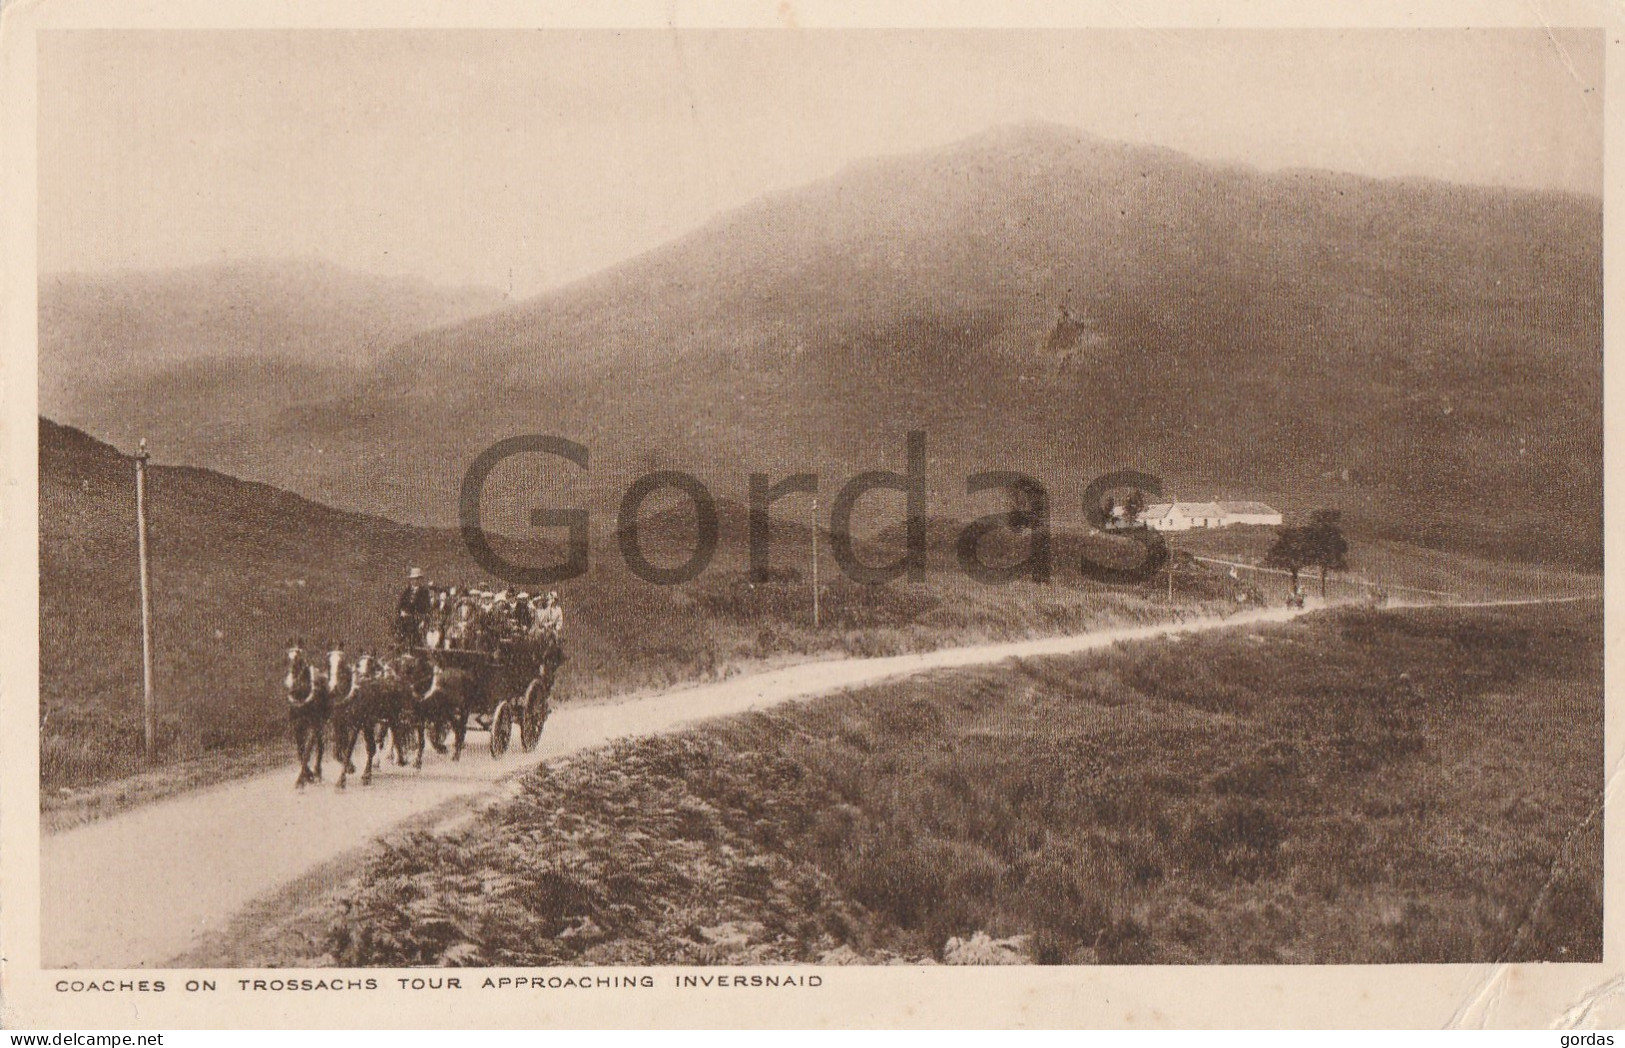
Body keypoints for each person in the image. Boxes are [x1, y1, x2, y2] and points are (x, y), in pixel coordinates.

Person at [396, 567, 432, 645]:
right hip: (404, 619)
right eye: (413, 579)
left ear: (420, 580)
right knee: (400, 631)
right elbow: (400, 604)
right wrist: (402, 611)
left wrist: (423, 620)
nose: (414, 581)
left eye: (417, 579)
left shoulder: (424, 592)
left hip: (417, 619)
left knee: (414, 637)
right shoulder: (407, 591)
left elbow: (426, 608)